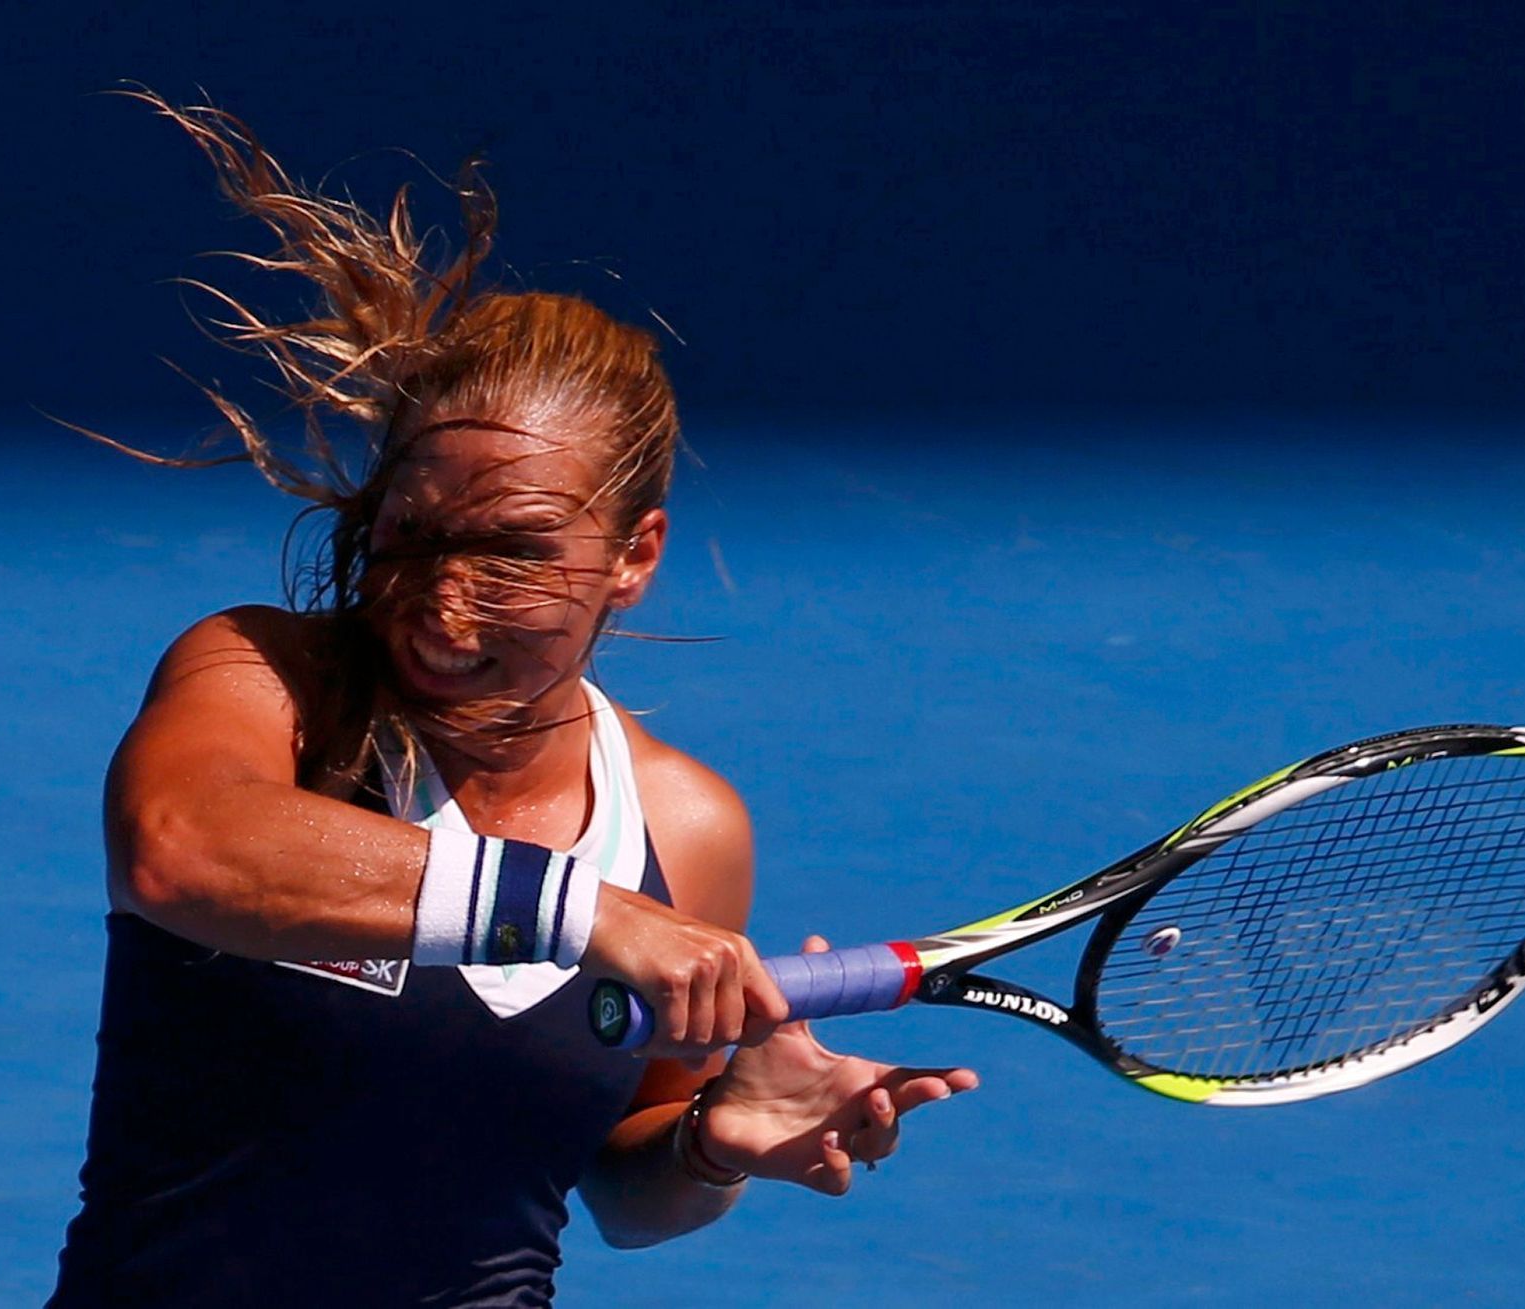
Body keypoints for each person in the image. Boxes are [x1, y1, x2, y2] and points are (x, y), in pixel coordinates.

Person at [48, 93, 977, 1307]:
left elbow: (614, 1185)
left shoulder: (685, 828)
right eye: (412, 537)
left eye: (516, 551)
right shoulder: (265, 680)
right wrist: (579, 909)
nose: (442, 603)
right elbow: (182, 851)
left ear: (635, 554)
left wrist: (712, 1145)